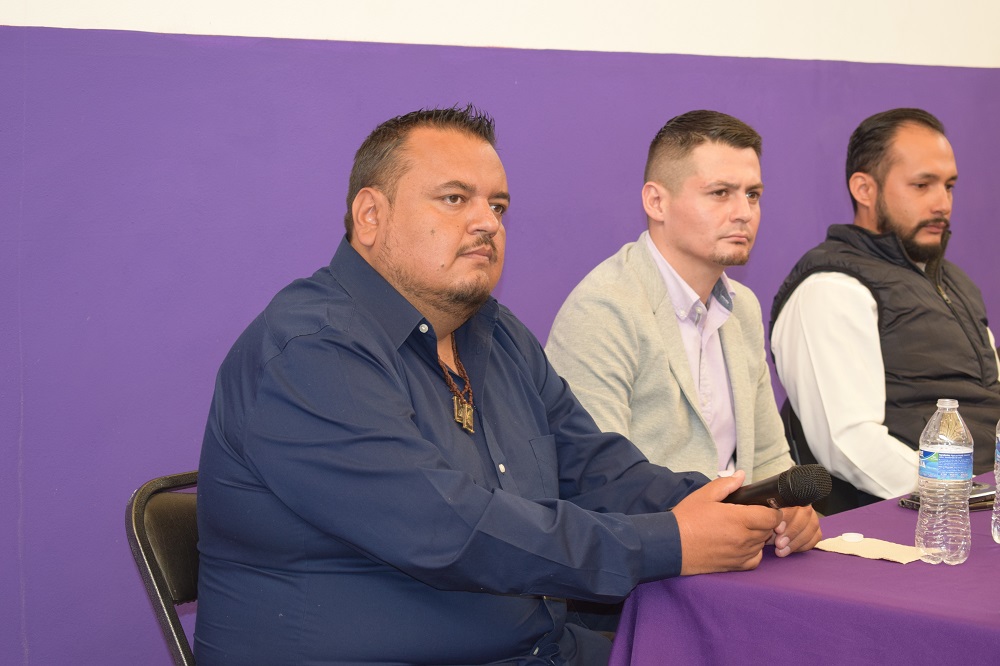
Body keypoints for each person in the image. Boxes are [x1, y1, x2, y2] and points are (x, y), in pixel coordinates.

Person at [195, 106, 820, 666]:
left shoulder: (494, 335)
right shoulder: (311, 350)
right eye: (454, 199)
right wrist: (671, 542)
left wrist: (740, 505)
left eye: (497, 206)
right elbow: (447, 530)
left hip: (536, 650)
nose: (486, 224)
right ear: (370, 216)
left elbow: (598, 469)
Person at [547, 110, 798, 485]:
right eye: (720, 193)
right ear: (656, 202)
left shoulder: (743, 307)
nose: (744, 213)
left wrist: (791, 504)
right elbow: (601, 482)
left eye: (753, 195)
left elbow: (769, 459)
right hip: (653, 521)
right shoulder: (602, 309)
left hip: (744, 518)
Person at [770, 107, 1000, 504]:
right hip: (924, 516)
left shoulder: (954, 282)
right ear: (864, 189)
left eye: (948, 186)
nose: (942, 203)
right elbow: (850, 443)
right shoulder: (831, 288)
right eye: (922, 185)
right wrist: (959, 496)